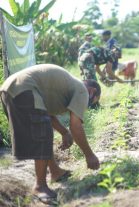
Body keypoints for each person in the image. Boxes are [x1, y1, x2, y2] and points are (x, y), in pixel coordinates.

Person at [0, 64, 101, 204]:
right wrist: (89, 155)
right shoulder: (82, 91)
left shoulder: (65, 86)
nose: (87, 105)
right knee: (43, 133)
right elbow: (76, 125)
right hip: (24, 88)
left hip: (9, 89)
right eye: (91, 103)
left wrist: (64, 132)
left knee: (43, 128)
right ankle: (40, 186)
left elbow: (47, 113)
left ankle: (55, 171)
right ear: (92, 91)